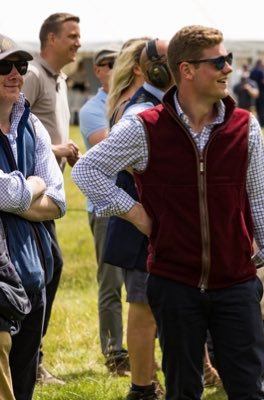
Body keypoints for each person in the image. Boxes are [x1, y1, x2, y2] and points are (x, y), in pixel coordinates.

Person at [72, 25, 264, 400]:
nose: (228, 69)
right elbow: (86, 170)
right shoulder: (146, 127)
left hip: (237, 282)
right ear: (187, 70)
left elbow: (260, 200)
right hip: (174, 283)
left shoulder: (246, 127)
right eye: (219, 62)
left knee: (248, 390)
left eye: (229, 60)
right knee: (183, 391)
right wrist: (135, 213)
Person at [104, 37, 171, 400]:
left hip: (154, 222)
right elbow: (113, 157)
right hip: (143, 223)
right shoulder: (138, 111)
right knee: (144, 308)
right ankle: (141, 388)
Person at [0, 33, 65, 399]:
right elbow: (9, 191)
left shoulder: (31, 123)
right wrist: (32, 184)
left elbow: (58, 200)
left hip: (33, 272)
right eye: (3, 66)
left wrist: (21, 192)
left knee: (22, 385)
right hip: (0, 276)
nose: (15, 74)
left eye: (21, 66)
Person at [22, 12, 81, 384]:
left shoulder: (56, 80)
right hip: (24, 198)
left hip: (46, 200)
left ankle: (32, 359)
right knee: (42, 271)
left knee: (49, 269)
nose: (78, 41)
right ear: (50, 39)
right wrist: (57, 148)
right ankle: (29, 360)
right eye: (72, 35)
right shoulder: (29, 76)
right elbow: (12, 125)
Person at [78, 47, 131, 375]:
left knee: (142, 285)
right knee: (111, 284)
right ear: (98, 71)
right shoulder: (91, 109)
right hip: (106, 207)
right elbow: (113, 150)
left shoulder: (132, 104)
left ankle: (143, 351)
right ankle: (114, 354)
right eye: (110, 65)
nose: (116, 69)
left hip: (137, 204)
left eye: (121, 63)